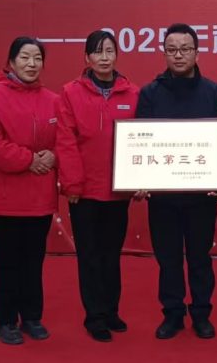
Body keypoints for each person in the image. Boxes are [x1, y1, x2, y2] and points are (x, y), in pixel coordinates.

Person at [136, 23, 217, 340]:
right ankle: (173, 313)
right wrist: (139, 178)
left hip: (201, 195)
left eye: (185, 49)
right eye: (172, 50)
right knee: (168, 260)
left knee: (200, 258)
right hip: (162, 197)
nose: (178, 55)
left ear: (196, 53)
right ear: (164, 53)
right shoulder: (149, 94)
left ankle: (202, 313)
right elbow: (139, 141)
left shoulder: (214, 93)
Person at [55, 30, 141, 342]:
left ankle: (111, 310)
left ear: (117, 55)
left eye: (109, 51)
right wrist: (73, 184)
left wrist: (138, 180)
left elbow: (142, 140)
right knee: (90, 255)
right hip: (84, 192)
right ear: (87, 58)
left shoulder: (132, 93)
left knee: (111, 253)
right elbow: (65, 141)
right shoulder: (70, 93)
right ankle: (94, 316)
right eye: (97, 52)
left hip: (118, 190)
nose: (104, 58)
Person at [0, 37, 60, 347]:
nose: (31, 64)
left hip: (40, 197)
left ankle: (32, 317)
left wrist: (54, 156)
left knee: (34, 259)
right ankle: (7, 320)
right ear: (11, 62)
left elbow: (64, 138)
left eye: (37, 58)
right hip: (5, 198)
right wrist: (28, 160)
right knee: (7, 261)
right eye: (24, 57)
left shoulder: (53, 100)